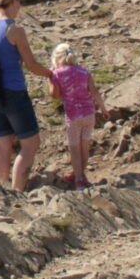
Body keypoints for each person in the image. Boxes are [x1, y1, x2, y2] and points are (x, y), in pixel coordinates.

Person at [0, 0, 56, 189]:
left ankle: (0, 193)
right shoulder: (15, 30)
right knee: (30, 145)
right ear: (14, 1)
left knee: (2, 145)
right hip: (13, 91)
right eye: (19, 2)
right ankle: (18, 192)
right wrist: (51, 74)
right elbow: (31, 65)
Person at [48, 42, 103, 188]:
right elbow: (94, 91)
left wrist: (51, 78)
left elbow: (54, 95)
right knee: (84, 146)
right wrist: (103, 109)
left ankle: (78, 178)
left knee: (74, 148)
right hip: (89, 114)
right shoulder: (84, 71)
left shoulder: (57, 73)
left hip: (73, 116)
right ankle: (81, 174)